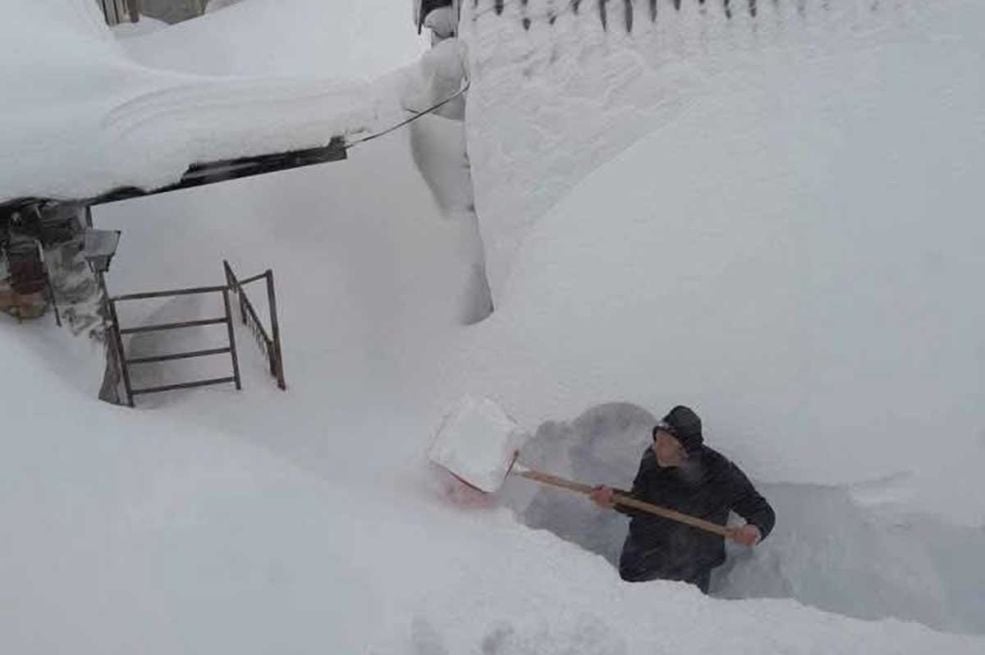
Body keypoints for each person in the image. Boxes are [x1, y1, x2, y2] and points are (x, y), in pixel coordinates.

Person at [589, 405, 775, 593]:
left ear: (684, 449)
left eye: (664, 443)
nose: (655, 447)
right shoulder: (652, 459)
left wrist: (755, 529)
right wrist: (615, 499)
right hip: (641, 560)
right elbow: (641, 502)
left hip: (689, 572)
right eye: (656, 440)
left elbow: (761, 511)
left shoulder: (718, 472)